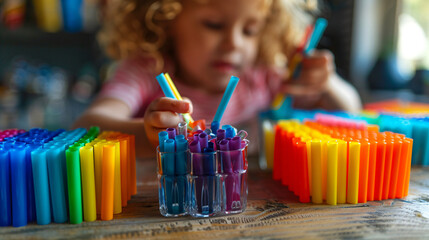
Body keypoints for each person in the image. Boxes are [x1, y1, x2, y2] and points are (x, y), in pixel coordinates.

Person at [73, 0, 362, 158]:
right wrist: (148, 136)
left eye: (249, 30)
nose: (233, 43)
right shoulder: (147, 70)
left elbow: (350, 113)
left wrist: (327, 82)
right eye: (214, 25)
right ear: (166, 20)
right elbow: (87, 125)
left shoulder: (264, 75)